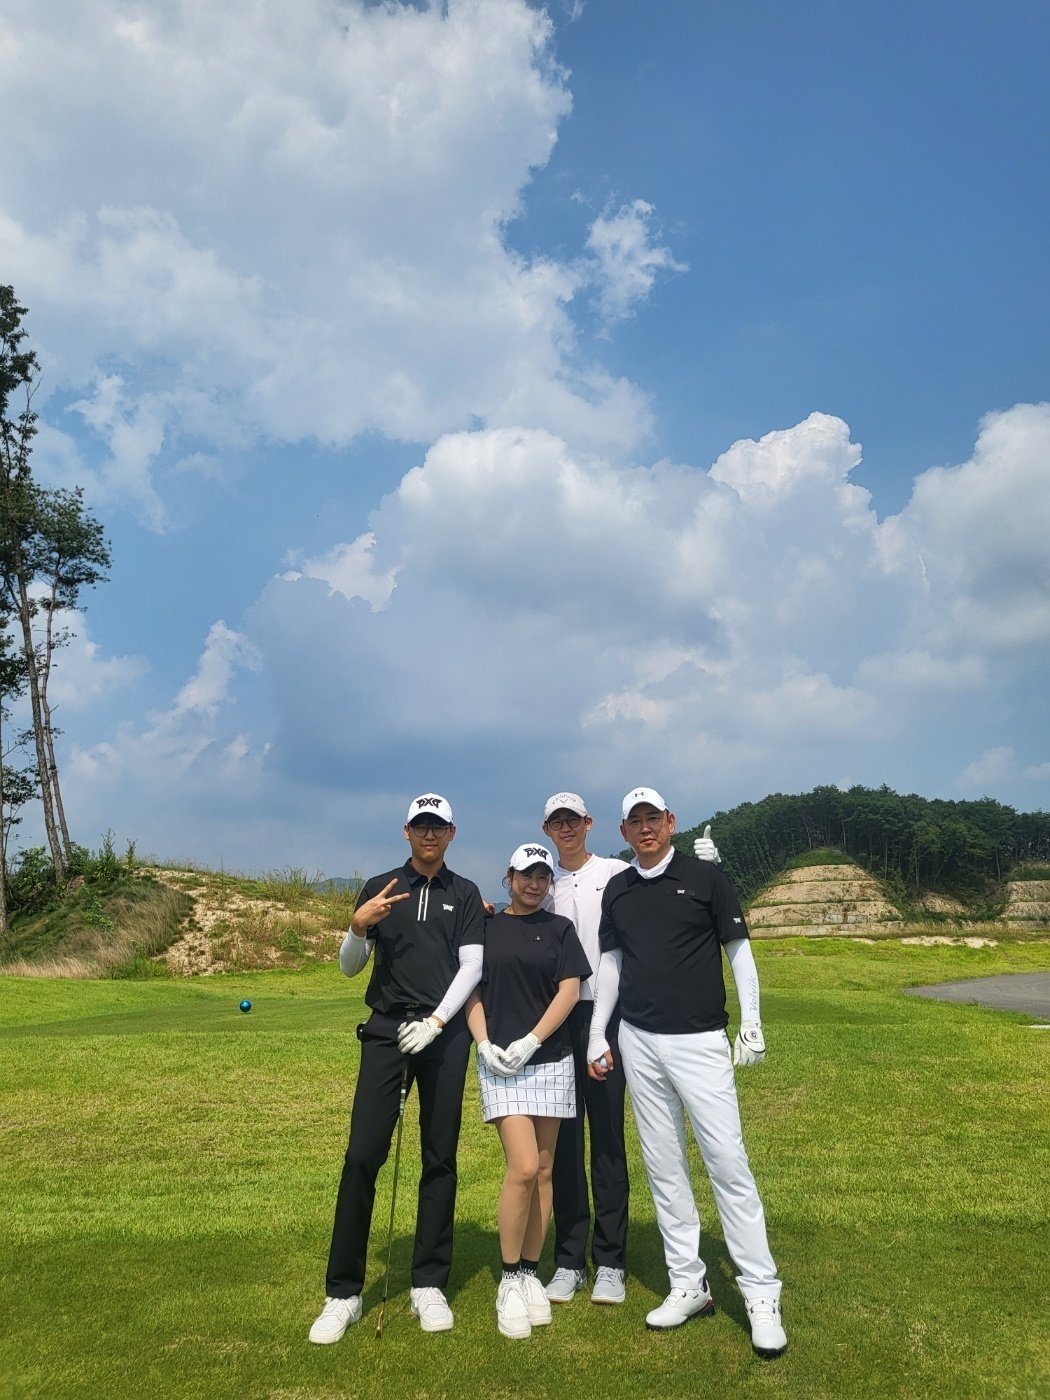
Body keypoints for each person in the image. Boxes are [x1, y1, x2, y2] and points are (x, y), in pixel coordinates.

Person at [587, 788, 787, 1359]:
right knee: (664, 1165)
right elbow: (612, 964)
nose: (645, 828)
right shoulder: (619, 888)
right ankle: (688, 1283)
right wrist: (600, 1030)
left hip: (699, 1039)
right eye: (635, 821)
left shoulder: (705, 877)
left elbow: (738, 950)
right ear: (624, 831)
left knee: (727, 1161)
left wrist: (752, 1022)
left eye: (654, 818)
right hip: (639, 1039)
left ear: (670, 822)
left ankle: (760, 1291)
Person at [309, 794, 485, 1343]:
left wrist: (435, 1022)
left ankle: (428, 1283)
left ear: (452, 833)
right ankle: (343, 1293)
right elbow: (348, 969)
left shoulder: (467, 892)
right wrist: (357, 927)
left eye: (439, 827)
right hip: (386, 1029)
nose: (429, 835)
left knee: (440, 1155)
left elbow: (472, 967)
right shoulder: (381, 888)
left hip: (444, 1033)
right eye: (421, 826)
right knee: (363, 1154)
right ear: (406, 832)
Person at [539, 791, 724, 1307]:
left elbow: (663, 879)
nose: (566, 828)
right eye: (557, 822)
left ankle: (611, 1261)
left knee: (607, 1139)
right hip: (559, 1019)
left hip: (609, 1014)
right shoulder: (542, 882)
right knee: (565, 1140)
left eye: (573, 820)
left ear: (590, 824)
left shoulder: (616, 875)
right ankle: (570, 1259)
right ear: (547, 829)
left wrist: (710, 866)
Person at [465, 842, 591, 1340]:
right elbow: (471, 987)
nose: (535, 884)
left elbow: (569, 989)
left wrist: (534, 1039)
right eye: (525, 875)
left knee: (543, 1172)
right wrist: (484, 1044)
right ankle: (510, 1277)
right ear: (509, 877)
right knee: (520, 1168)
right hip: (500, 1064)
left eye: (542, 876)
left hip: (551, 1060)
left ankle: (531, 1273)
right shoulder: (487, 927)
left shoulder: (559, 929)